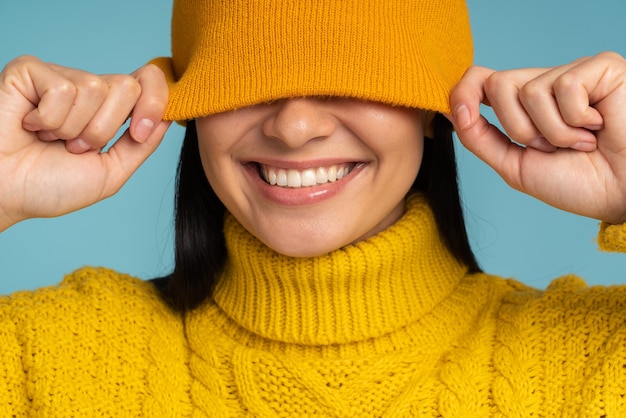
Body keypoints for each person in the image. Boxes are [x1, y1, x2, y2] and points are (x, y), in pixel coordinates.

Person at [2, 0, 626, 415]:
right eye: (247, 79)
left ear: (438, 108)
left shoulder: (589, 362)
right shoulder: (47, 358)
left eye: (353, 77)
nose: (295, 127)